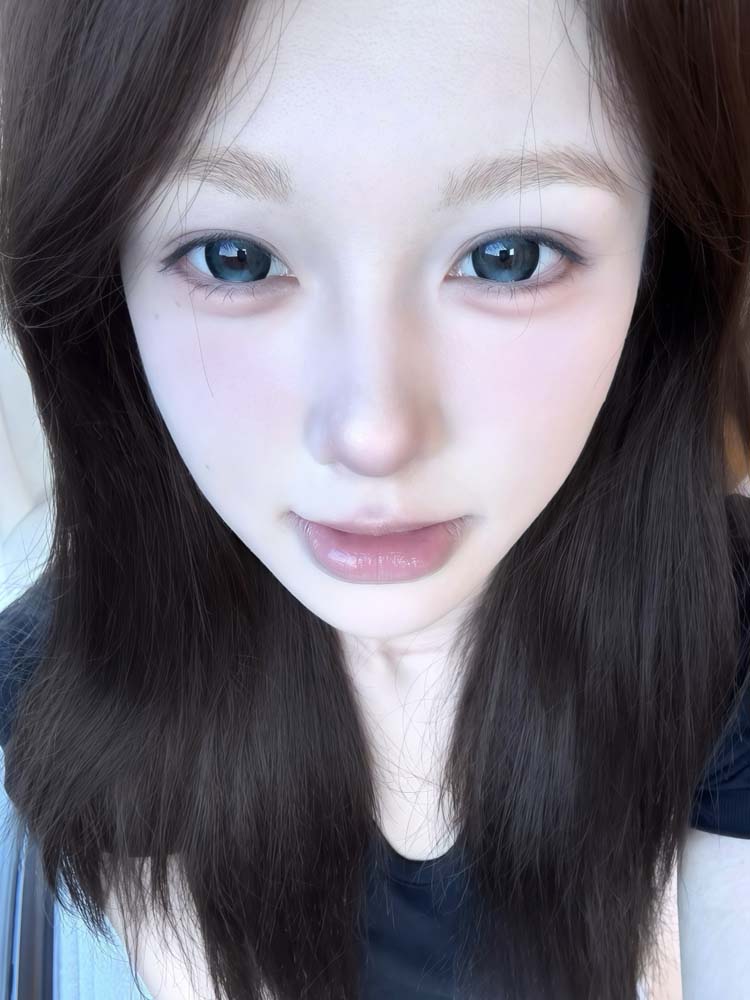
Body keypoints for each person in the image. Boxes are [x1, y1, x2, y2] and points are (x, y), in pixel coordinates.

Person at [1, 0, 749, 997]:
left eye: (510, 255)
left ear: (661, 263)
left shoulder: (728, 632)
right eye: (234, 257)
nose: (373, 434)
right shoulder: (62, 671)